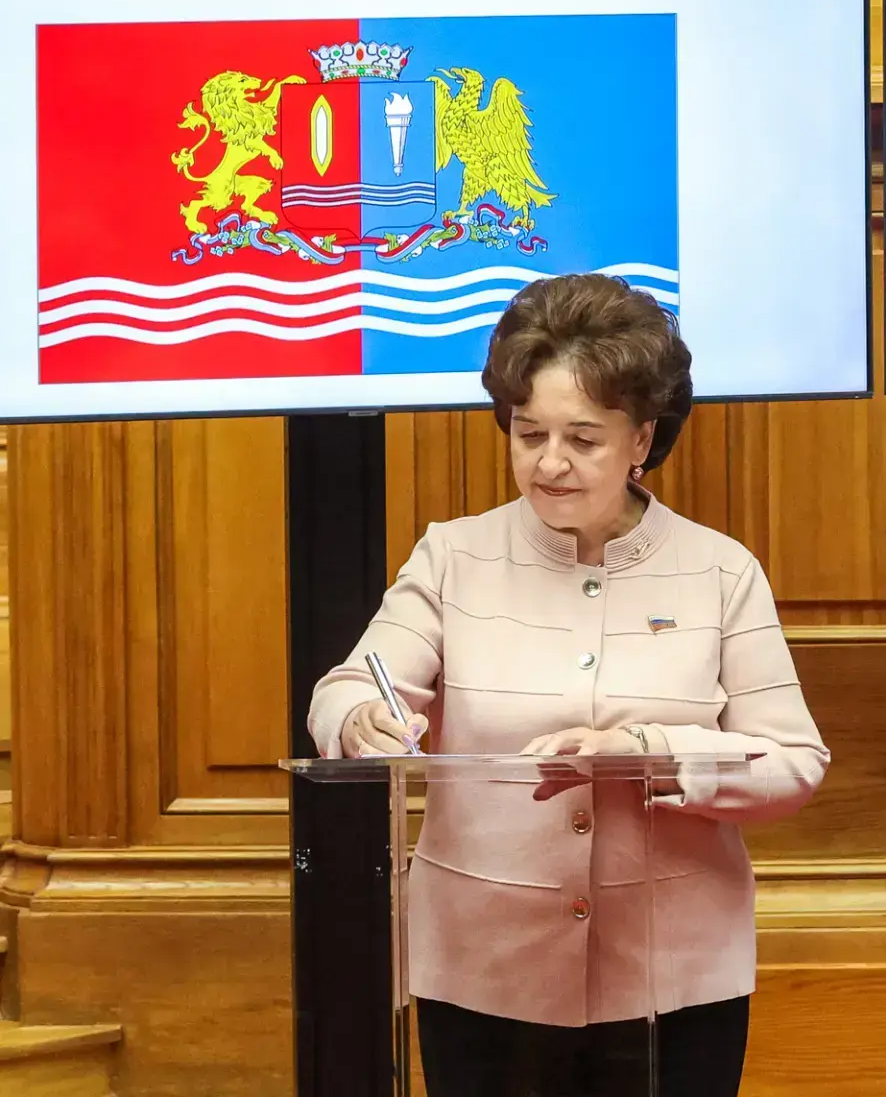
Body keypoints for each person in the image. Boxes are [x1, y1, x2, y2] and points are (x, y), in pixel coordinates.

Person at [308, 273, 829, 1097]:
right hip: (483, 971)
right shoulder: (452, 557)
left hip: (672, 980)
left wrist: (648, 751)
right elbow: (343, 690)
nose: (549, 463)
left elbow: (794, 762)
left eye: (583, 439)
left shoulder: (721, 571)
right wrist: (360, 716)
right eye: (529, 434)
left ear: (641, 438)